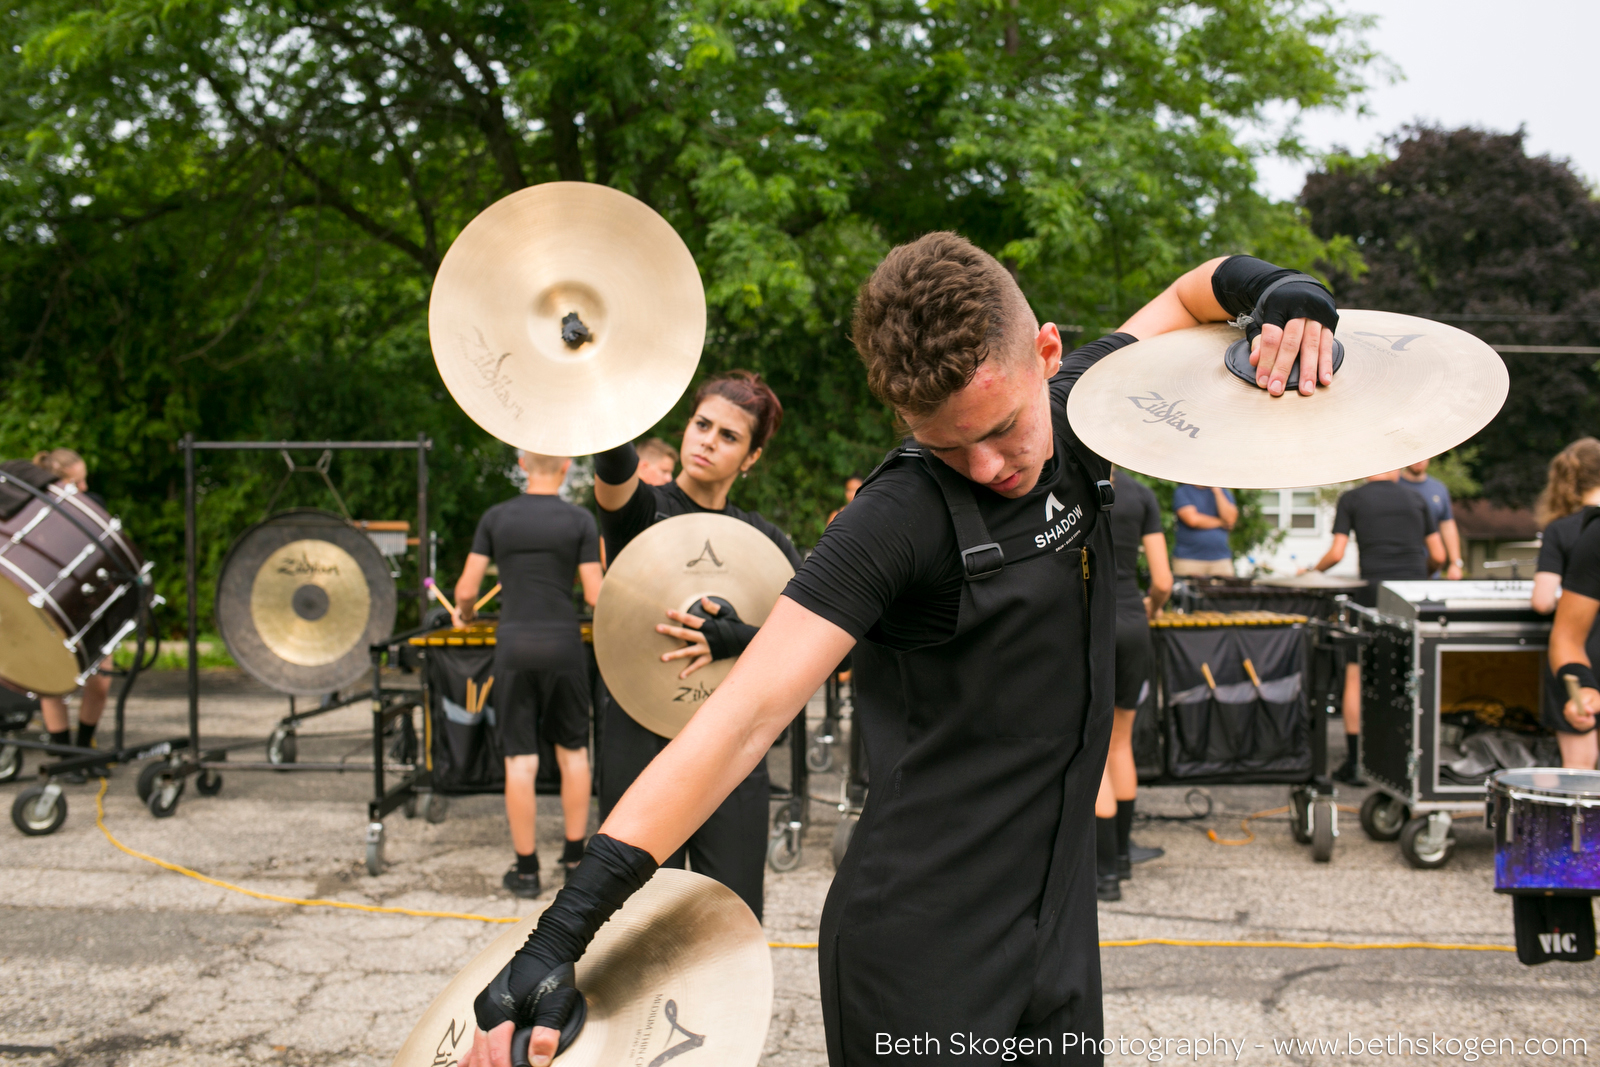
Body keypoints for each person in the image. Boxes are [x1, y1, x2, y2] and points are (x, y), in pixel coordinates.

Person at [462, 240, 1341, 1067]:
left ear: (1047, 351)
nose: (992, 464)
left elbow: (1198, 290)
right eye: (949, 444)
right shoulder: (897, 517)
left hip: (1060, 928)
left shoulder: (1083, 397)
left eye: (1002, 426)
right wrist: (560, 935)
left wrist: (1279, 293)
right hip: (921, 953)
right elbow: (737, 722)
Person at [588, 371, 803, 923]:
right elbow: (614, 471)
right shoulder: (642, 513)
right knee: (629, 921)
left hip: (731, 751)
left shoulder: (768, 544)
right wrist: (596, 371)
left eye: (728, 436)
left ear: (751, 457)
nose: (707, 440)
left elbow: (811, 650)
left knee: (728, 922)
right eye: (702, 424)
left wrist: (739, 639)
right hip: (639, 741)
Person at [454, 451, 603, 897]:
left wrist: (464, 614)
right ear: (565, 466)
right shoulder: (579, 520)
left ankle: (526, 871)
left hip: (514, 646)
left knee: (520, 760)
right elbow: (595, 595)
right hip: (563, 646)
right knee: (573, 752)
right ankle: (575, 861)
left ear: (521, 464)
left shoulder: (496, 518)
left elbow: (466, 590)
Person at [1309, 470, 1445, 784]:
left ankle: (1356, 762)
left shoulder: (1353, 499)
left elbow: (1337, 552)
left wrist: (1311, 573)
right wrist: (1417, 574)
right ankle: (1413, 761)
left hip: (1372, 591)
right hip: (1413, 594)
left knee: (1357, 672)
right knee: (1413, 670)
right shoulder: (1417, 498)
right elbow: (1438, 555)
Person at [1096, 466, 1171, 901]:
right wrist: (1152, 607)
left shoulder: (1067, 487)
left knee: (1092, 745)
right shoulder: (1143, 495)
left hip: (1092, 624)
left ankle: (1102, 874)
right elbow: (1162, 580)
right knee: (1119, 742)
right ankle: (1122, 857)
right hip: (1133, 623)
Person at [31, 448, 114, 782]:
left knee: (101, 680)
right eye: (75, 481)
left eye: (84, 480)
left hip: (88, 601)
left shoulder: (93, 504)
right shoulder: (35, 514)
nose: (83, 488)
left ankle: (83, 747)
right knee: (52, 681)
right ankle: (62, 751)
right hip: (49, 602)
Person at [1530, 439, 1600, 769]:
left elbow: (1543, 601)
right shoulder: (1593, 534)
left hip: (1588, 652)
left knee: (1580, 777)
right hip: (1583, 662)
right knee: (1582, 794)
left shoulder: (1559, 529)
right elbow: (1566, 638)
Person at [1399, 457, 1463, 579]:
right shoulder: (1395, 486)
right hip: (1401, 567)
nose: (1419, 461)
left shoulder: (1438, 489)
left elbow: (1447, 525)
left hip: (1431, 570)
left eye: (1423, 456)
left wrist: (1455, 563)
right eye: (1415, 456)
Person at [1171, 484, 1237, 577]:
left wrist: (1217, 491)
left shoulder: (1223, 492)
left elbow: (1230, 519)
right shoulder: (1183, 491)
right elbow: (1192, 520)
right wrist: (1222, 522)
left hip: (1221, 559)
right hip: (1188, 559)